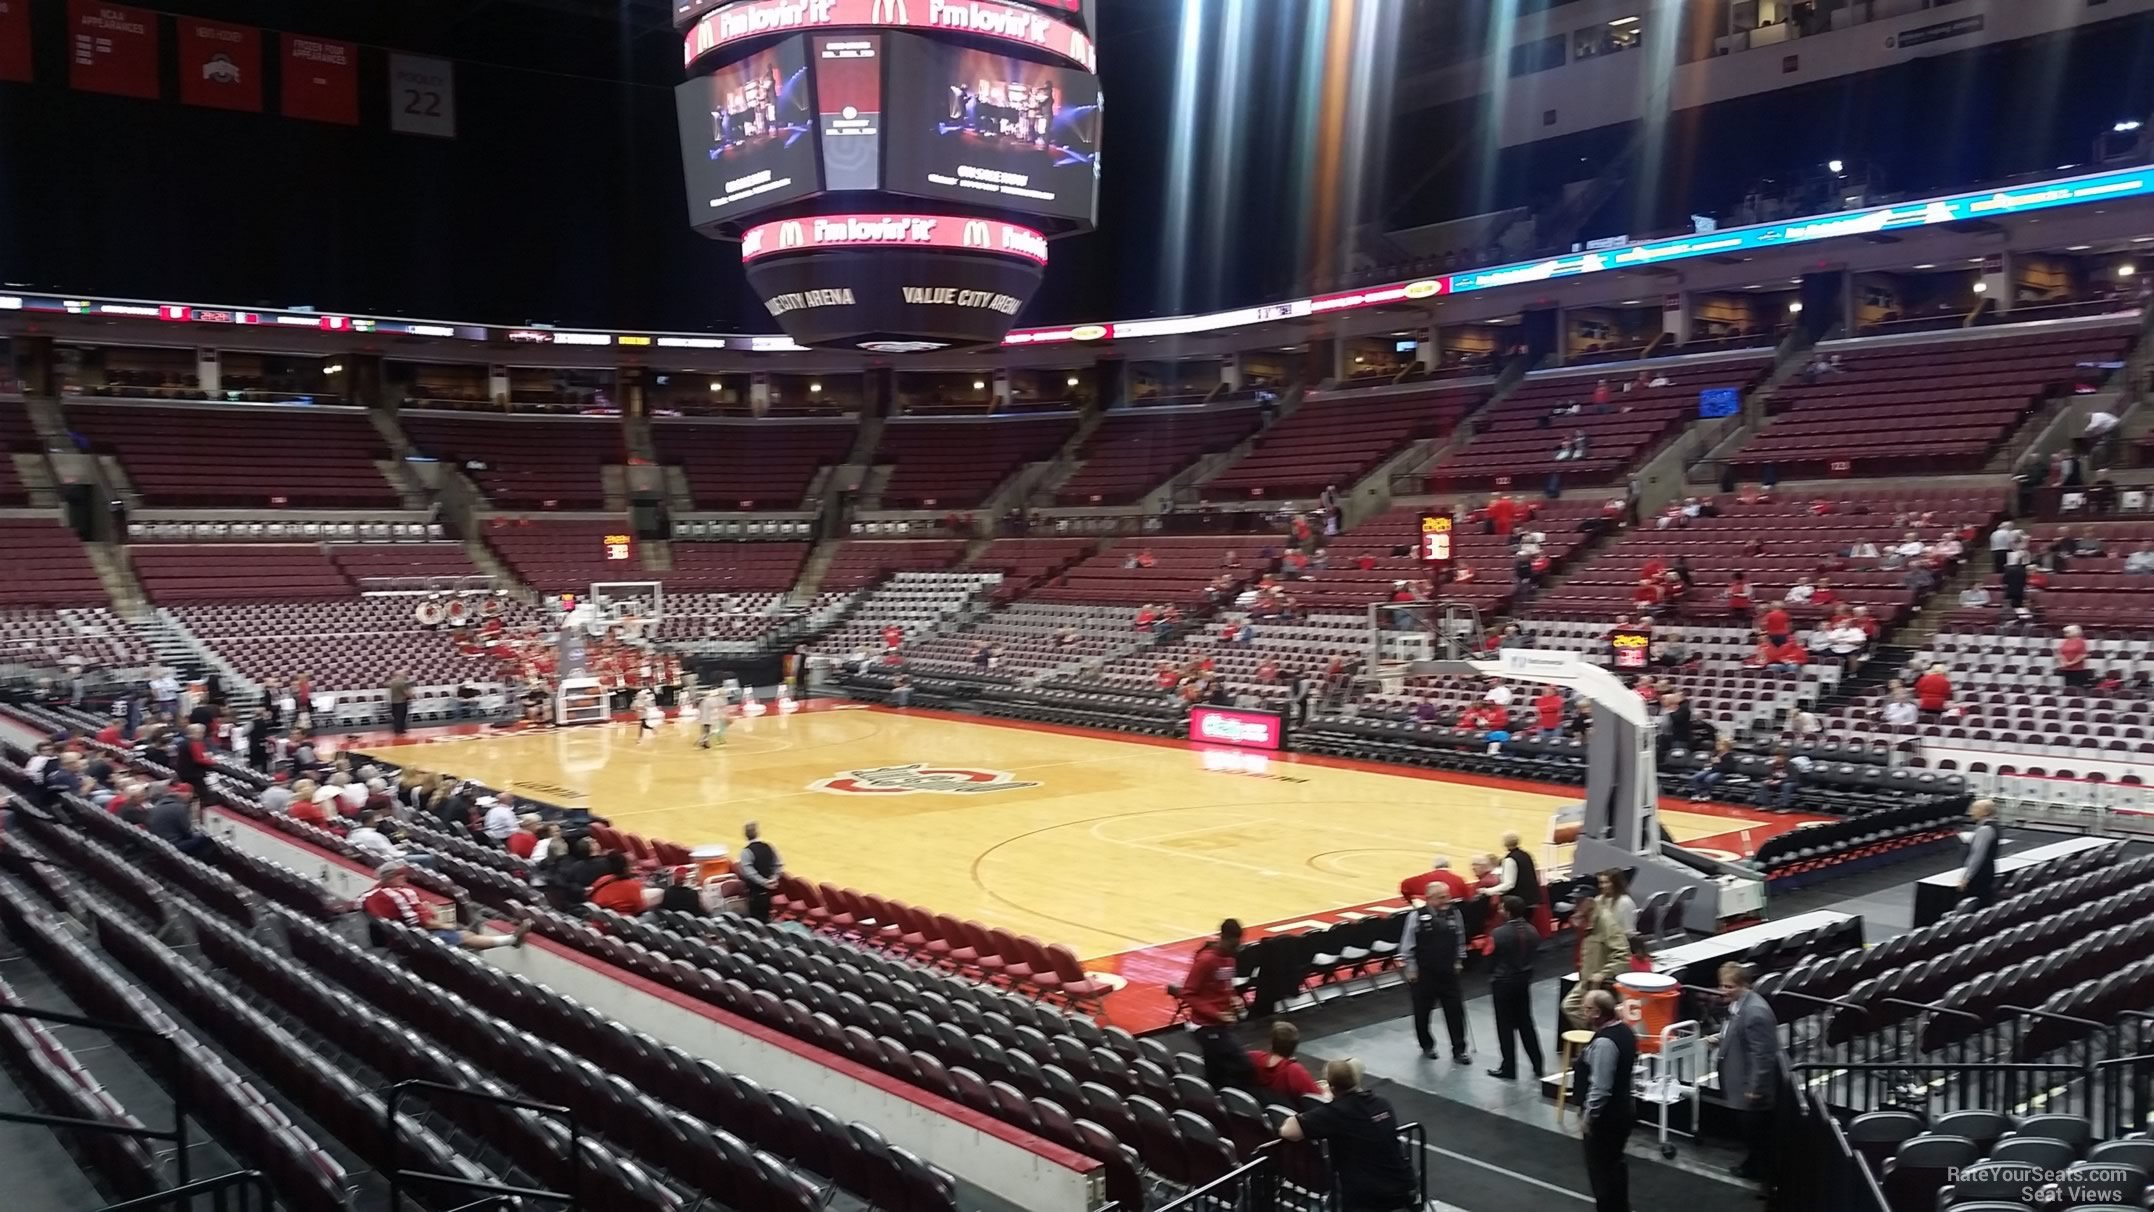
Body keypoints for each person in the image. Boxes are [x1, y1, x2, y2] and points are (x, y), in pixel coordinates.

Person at [1278, 1059, 1420, 1212]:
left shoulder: (1334, 1114)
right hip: (1401, 1184)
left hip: (1368, 1195)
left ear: (1332, 1087)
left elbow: (1288, 1131)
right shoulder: (1382, 1103)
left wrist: (1326, 1101)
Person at [1714, 962, 1784, 1188]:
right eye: (1722, 986)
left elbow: (1762, 1056)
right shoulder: (1739, 1005)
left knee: (1758, 1135)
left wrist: (1755, 1088)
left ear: (1744, 985)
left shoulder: (1755, 1013)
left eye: (1729, 986)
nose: (1723, 991)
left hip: (1752, 1089)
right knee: (1751, 1135)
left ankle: (1769, 1180)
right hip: (1740, 1082)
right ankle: (1752, 1166)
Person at [362, 861, 529, 951]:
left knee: (466, 929)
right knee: (465, 935)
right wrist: (447, 925)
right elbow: (422, 922)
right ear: (392, 878)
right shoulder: (402, 894)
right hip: (411, 938)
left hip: (390, 935)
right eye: (401, 876)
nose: (405, 879)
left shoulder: (370, 893)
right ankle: (511, 940)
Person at [1573, 989, 1637, 1212]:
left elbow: (1601, 1087)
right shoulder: (1626, 1032)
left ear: (1597, 1013)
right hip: (1623, 1110)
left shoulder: (1604, 1043)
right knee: (1615, 1165)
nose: (1583, 1012)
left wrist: (1589, 1117)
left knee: (1602, 1174)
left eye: (1587, 1009)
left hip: (1607, 1119)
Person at [1167, 920, 1247, 1087]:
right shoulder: (1206, 960)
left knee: (1217, 1072)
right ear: (1223, 938)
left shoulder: (1230, 958)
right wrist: (1216, 1014)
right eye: (1233, 946)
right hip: (1205, 1025)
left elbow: (1226, 986)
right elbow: (1188, 993)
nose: (1235, 950)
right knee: (1242, 1066)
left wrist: (1235, 999)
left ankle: (1215, 1101)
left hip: (1221, 1024)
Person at [1400, 882, 1468, 1063]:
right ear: (1429, 899)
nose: (1447, 900)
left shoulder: (1455, 913)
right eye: (1441, 897)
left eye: (1447, 896)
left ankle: (1459, 1049)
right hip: (1424, 974)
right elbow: (1407, 945)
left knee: (1455, 1011)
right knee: (1422, 1012)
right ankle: (1427, 1045)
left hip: (1448, 972)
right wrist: (1411, 968)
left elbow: (1460, 938)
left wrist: (1459, 959)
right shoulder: (1416, 916)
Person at [1486, 895, 1544, 1080]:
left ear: (1508, 911)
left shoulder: (1498, 933)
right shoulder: (1533, 930)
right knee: (1526, 1023)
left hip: (1503, 982)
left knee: (1505, 1027)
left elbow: (1488, 957)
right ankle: (1538, 1064)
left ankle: (1509, 1067)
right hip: (1523, 980)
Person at [1562, 896, 1633, 1029]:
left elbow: (1623, 954)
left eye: (1578, 903)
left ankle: (1601, 1035)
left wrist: (1603, 974)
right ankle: (1596, 1035)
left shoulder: (1606, 922)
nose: (1575, 907)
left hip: (1601, 982)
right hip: (1587, 979)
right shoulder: (1587, 918)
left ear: (1589, 902)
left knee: (1582, 1009)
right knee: (1570, 1006)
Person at [1247, 1021, 1324, 1101]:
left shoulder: (1253, 1057)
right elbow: (1317, 1099)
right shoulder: (1294, 1071)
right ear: (1294, 1047)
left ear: (1272, 1043)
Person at [147, 784, 215, 859]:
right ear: (186, 795)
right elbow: (187, 832)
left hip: (159, 842)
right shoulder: (179, 808)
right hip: (172, 844)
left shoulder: (158, 805)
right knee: (206, 839)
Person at [1484, 832, 1542, 918]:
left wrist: (1489, 891)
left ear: (1504, 843)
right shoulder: (1526, 855)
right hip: (1532, 899)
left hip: (1518, 903)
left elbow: (1509, 884)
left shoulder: (1510, 859)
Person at [734, 820, 783, 921]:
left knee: (756, 920)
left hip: (755, 892)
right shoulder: (769, 847)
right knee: (766, 915)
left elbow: (749, 873)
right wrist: (774, 878)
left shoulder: (746, 851)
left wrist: (764, 882)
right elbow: (778, 865)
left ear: (745, 835)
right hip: (769, 891)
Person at [588, 851, 663, 915]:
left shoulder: (602, 879)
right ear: (625, 868)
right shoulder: (632, 886)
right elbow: (640, 909)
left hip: (602, 916)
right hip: (622, 921)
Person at [1958, 798, 2000, 907]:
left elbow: (1978, 855)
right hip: (1987, 870)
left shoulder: (1984, 829)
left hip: (1980, 874)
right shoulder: (1994, 826)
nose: (1971, 812)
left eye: (1975, 809)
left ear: (1986, 812)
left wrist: (1967, 877)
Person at [1397, 854, 1468, 904]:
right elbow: (1467, 898)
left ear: (1434, 866)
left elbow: (1405, 885)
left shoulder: (1424, 878)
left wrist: (1410, 901)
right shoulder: (1460, 880)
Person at [1597, 869, 1638, 935]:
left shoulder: (1625, 902)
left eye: (1606, 882)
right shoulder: (1598, 900)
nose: (1602, 886)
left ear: (1616, 884)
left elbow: (1628, 931)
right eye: (1601, 882)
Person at [2057, 624, 2091, 689]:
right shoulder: (2064, 642)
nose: (2065, 634)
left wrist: (2071, 663)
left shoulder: (2081, 641)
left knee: (2077, 686)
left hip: (2077, 669)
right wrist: (2065, 662)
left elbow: (2083, 654)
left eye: (2067, 632)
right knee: (2068, 686)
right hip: (2066, 668)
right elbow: (2061, 653)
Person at [388, 670, 412, 736]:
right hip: (401, 701)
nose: (406, 675)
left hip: (394, 701)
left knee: (396, 716)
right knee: (401, 716)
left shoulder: (392, 682)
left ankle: (397, 729)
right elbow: (405, 692)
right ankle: (400, 730)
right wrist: (411, 696)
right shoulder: (401, 682)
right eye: (404, 674)